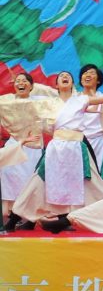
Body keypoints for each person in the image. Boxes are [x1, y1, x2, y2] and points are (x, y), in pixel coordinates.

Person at [6, 71, 103, 227]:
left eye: (68, 76)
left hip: (77, 148)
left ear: (72, 84)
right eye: (61, 76)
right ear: (56, 85)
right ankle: (15, 219)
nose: (64, 76)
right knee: (36, 182)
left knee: (95, 186)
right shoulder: (50, 103)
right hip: (56, 149)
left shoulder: (80, 100)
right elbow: (23, 105)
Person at [0, 71, 55, 227]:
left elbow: (55, 99)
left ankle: (28, 218)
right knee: (10, 177)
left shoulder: (39, 102)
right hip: (15, 146)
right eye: (18, 81)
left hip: (34, 147)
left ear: (32, 86)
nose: (21, 83)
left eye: (25, 81)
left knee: (30, 181)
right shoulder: (6, 102)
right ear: (13, 85)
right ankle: (10, 214)